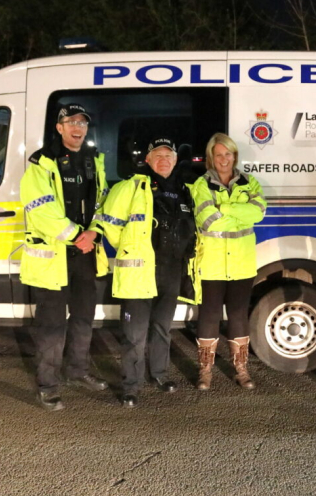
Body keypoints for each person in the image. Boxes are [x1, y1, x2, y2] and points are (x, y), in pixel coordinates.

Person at [19, 103, 110, 411]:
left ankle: (78, 370)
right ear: (59, 127)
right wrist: (77, 236)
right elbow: (42, 210)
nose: (77, 127)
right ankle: (47, 385)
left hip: (85, 254)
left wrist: (94, 232)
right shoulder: (42, 164)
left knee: (84, 318)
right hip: (54, 258)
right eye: (71, 121)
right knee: (52, 325)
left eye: (82, 123)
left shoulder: (94, 161)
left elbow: (102, 202)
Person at [97, 137, 198, 408]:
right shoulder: (129, 186)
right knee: (135, 332)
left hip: (171, 271)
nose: (164, 159)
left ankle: (160, 375)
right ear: (149, 160)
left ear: (175, 160)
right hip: (139, 271)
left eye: (169, 155)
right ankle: (131, 385)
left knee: (162, 328)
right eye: (158, 155)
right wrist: (131, 249)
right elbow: (110, 224)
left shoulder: (185, 191)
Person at [191, 133, 266, 391]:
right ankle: (205, 371)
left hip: (242, 264)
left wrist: (225, 208)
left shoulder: (250, 182)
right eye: (219, 154)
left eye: (228, 154)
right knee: (209, 317)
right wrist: (238, 210)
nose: (224, 159)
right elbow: (206, 220)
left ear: (235, 155)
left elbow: (258, 213)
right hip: (211, 264)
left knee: (237, 317)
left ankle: (241, 370)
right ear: (211, 157)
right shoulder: (201, 184)